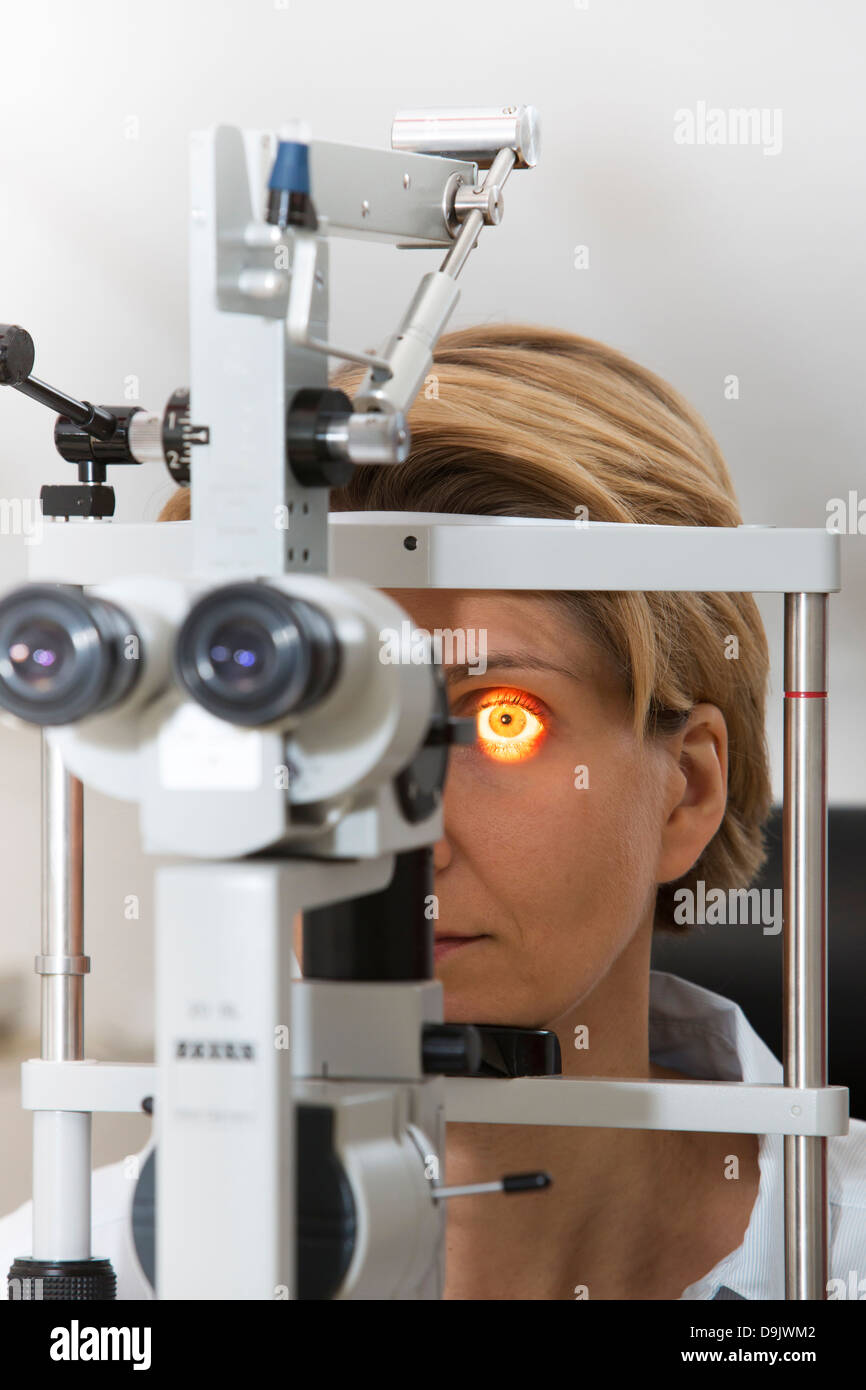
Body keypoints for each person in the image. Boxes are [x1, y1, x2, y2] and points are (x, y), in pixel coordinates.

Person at [1, 322, 863, 1299]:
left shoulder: (835, 1261)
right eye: (318, 725)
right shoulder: (87, 1271)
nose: (404, 839)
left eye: (502, 721)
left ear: (687, 789)